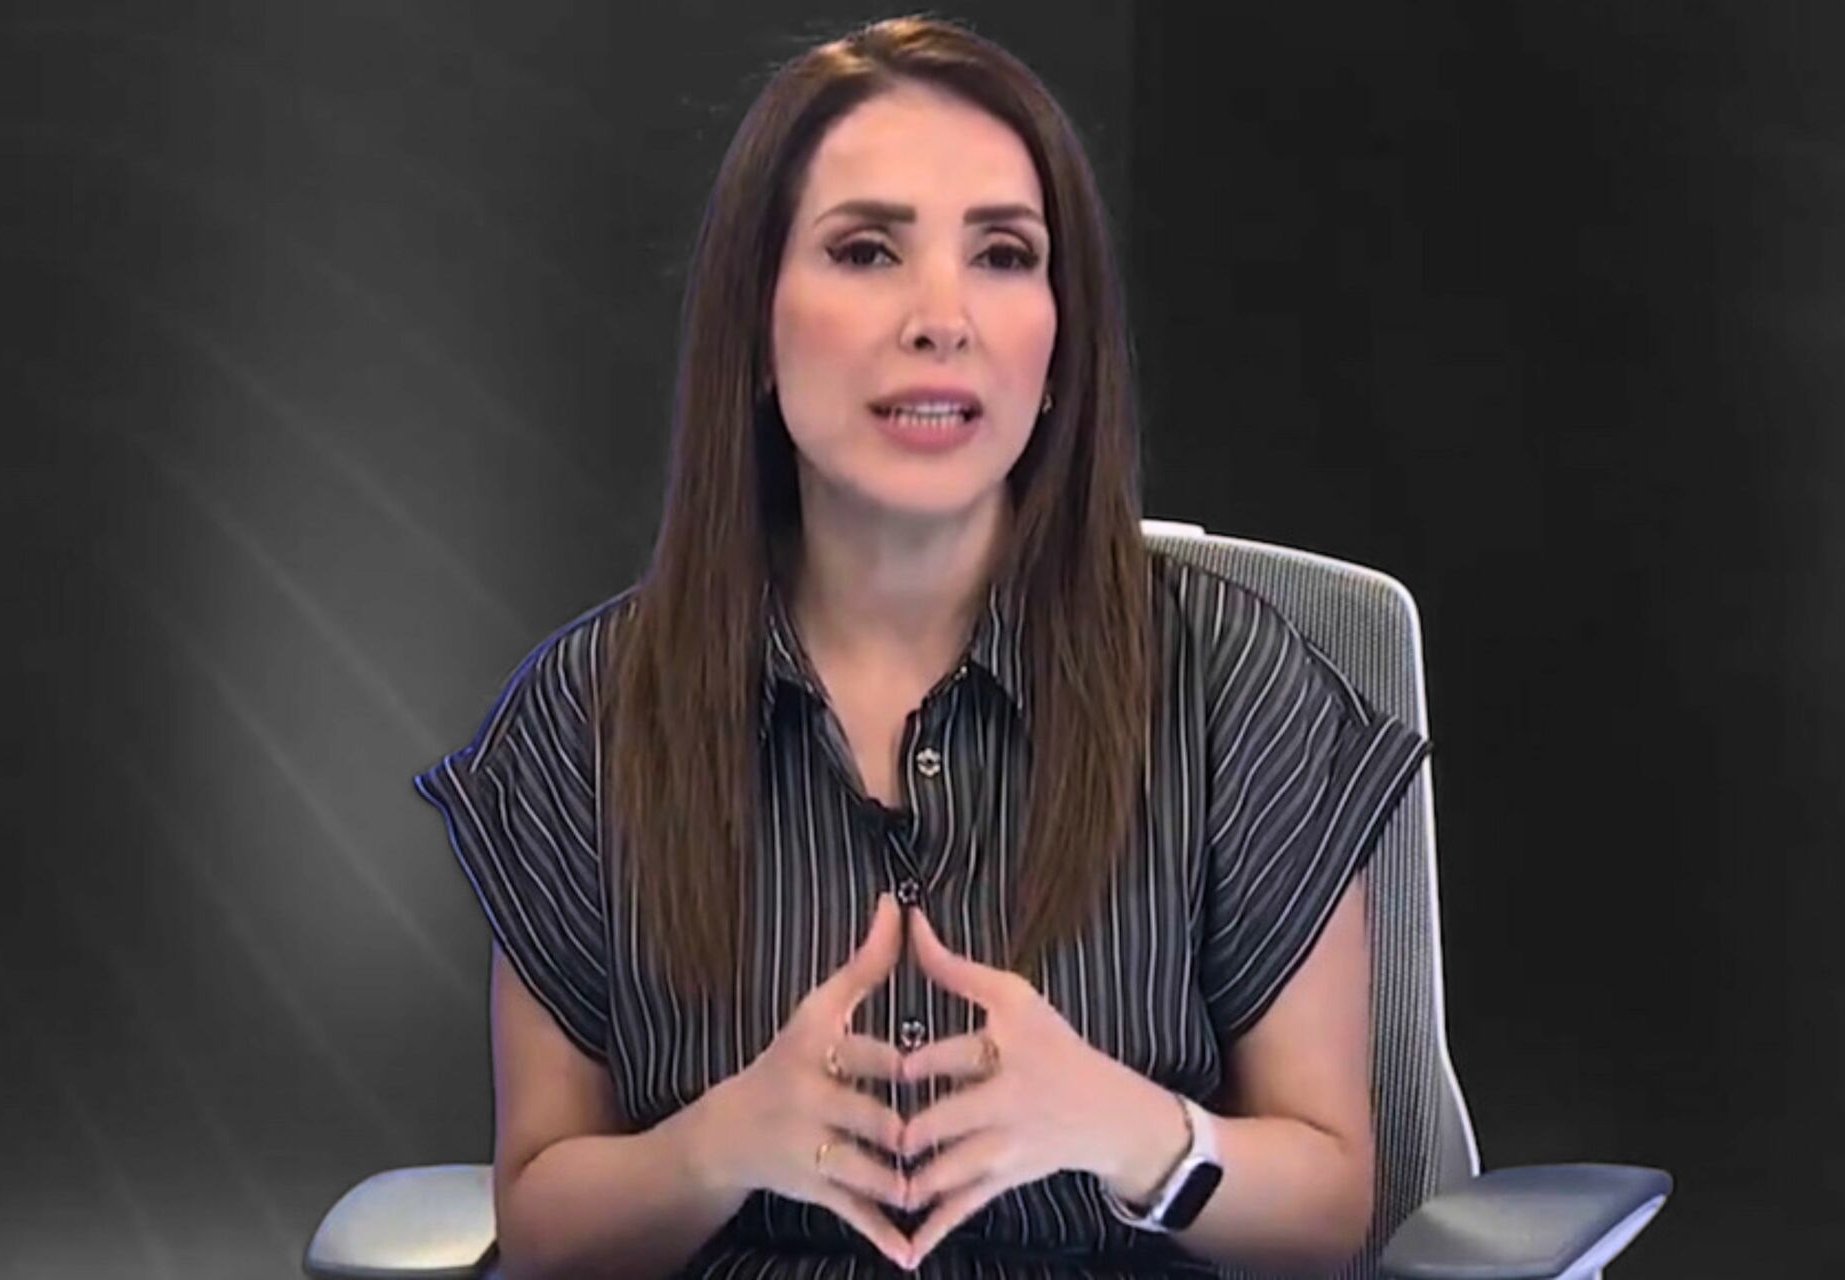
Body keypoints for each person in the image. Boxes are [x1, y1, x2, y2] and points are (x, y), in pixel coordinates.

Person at [414, 15, 1428, 1279]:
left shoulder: (1229, 679)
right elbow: (543, 1229)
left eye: (1004, 254)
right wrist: (720, 1146)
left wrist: (1123, 1126)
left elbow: (1327, 1212)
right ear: (756, 328)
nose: (942, 317)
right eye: (867, 250)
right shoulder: (592, 711)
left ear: (1059, 343)